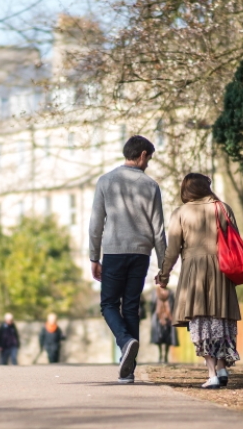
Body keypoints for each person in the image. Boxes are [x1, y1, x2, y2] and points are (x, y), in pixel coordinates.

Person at [88, 135, 167, 384]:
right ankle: (128, 370)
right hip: (140, 253)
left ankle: (125, 342)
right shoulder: (151, 186)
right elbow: (158, 230)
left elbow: (95, 224)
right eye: (149, 159)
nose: (148, 164)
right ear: (142, 155)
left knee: (109, 304)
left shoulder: (105, 181)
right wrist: (164, 265)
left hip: (113, 251)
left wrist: (93, 256)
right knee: (131, 306)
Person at [156, 173, 242, 389]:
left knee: (201, 321)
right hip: (222, 270)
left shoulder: (181, 213)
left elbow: (173, 249)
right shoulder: (223, 208)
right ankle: (222, 368)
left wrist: (164, 274)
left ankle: (212, 373)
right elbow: (236, 239)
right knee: (221, 318)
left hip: (195, 272)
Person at [149, 286, 179, 363]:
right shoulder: (155, 292)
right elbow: (152, 305)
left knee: (168, 337)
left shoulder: (170, 292)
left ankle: (165, 355)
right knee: (159, 337)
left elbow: (173, 305)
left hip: (168, 317)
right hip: (158, 318)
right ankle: (160, 355)